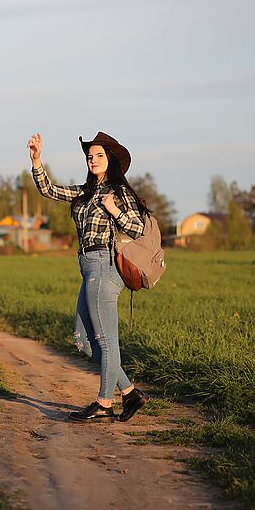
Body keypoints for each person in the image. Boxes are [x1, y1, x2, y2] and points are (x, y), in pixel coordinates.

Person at [26, 130, 148, 422]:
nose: (93, 159)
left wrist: (115, 211)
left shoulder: (118, 193)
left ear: (111, 160)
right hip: (88, 268)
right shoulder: (85, 192)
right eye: (90, 156)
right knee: (84, 339)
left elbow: (138, 229)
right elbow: (50, 191)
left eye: (99, 155)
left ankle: (105, 404)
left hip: (105, 266)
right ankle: (130, 393)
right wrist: (37, 161)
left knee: (106, 342)